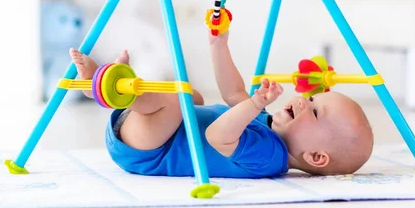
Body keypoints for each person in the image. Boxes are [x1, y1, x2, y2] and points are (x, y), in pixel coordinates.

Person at [69, 30, 373, 178]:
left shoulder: (269, 156)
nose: (303, 101)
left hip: (149, 152)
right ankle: (108, 88)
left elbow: (217, 135)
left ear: (316, 156)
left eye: (315, 111)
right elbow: (232, 93)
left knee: (183, 100)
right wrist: (218, 46)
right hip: (151, 133)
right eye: (310, 97)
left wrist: (254, 104)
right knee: (196, 99)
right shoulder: (268, 127)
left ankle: (109, 90)